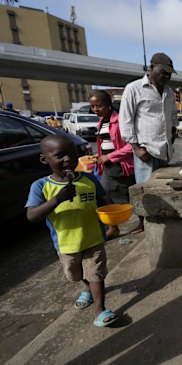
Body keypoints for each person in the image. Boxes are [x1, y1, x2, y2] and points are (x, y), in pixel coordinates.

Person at [25, 135, 118, 327]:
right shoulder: (41, 186)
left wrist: (112, 220)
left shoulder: (89, 179)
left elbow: (102, 201)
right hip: (66, 243)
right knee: (75, 274)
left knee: (96, 273)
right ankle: (86, 288)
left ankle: (100, 310)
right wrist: (57, 199)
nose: (68, 160)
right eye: (60, 156)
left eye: (72, 155)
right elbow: (32, 216)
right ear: (45, 160)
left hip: (93, 239)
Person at [119, 52, 178, 233]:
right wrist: (136, 148)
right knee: (144, 189)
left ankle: (161, 221)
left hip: (165, 150)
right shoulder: (134, 88)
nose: (166, 76)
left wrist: (173, 134)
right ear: (151, 68)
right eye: (163, 72)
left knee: (164, 190)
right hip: (146, 150)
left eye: (169, 73)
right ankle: (143, 222)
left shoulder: (169, 92)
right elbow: (126, 120)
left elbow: (172, 116)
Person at [90, 90, 138, 238]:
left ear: (109, 105)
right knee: (105, 197)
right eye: (93, 106)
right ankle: (113, 227)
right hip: (108, 166)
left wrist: (110, 156)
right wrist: (99, 156)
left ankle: (142, 222)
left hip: (122, 166)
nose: (96, 109)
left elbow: (132, 145)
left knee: (129, 196)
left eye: (99, 105)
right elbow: (107, 143)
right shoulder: (101, 121)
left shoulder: (121, 120)